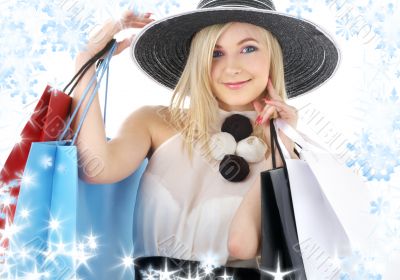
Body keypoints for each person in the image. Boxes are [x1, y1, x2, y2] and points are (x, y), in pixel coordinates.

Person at [72, 0, 340, 276]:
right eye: (215, 53)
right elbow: (95, 168)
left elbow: (242, 246)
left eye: (249, 48)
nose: (232, 68)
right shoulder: (155, 122)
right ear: (198, 60)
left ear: (274, 56)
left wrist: (280, 149)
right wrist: (85, 63)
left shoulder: (290, 151)